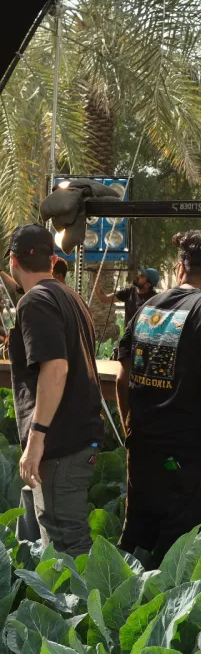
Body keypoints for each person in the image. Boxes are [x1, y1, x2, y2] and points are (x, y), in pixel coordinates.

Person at [116, 231, 201, 562]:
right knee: (188, 558)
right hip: (189, 459)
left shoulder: (147, 309)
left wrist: (130, 429)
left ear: (179, 270)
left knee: (138, 547)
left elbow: (122, 377)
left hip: (144, 450)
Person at [5, 224, 104, 556]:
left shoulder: (35, 302)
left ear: (14, 262)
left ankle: (84, 607)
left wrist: (36, 440)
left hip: (61, 442)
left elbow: (56, 368)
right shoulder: (68, 296)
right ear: (53, 260)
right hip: (79, 435)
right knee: (55, 531)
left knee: (66, 539)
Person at [95, 267, 160, 327]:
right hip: (128, 337)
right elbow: (103, 298)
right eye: (140, 274)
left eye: (142, 276)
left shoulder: (155, 300)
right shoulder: (129, 292)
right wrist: (95, 279)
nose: (138, 276)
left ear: (147, 285)